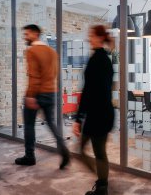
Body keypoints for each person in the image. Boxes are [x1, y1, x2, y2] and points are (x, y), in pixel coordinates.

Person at [15, 24, 70, 169]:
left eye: (27, 34)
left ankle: (29, 156)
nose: (25, 37)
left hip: (36, 93)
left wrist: (31, 96)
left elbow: (33, 76)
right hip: (51, 92)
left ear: (35, 34)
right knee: (51, 123)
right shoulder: (52, 51)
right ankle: (64, 150)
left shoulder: (32, 51)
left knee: (28, 125)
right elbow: (55, 73)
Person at [73, 25, 115, 195]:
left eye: (90, 35)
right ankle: (102, 181)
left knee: (95, 152)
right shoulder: (101, 58)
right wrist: (80, 116)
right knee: (92, 152)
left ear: (98, 37)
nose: (88, 38)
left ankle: (102, 185)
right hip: (100, 114)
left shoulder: (99, 60)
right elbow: (91, 91)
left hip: (99, 115)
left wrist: (78, 117)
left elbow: (90, 92)